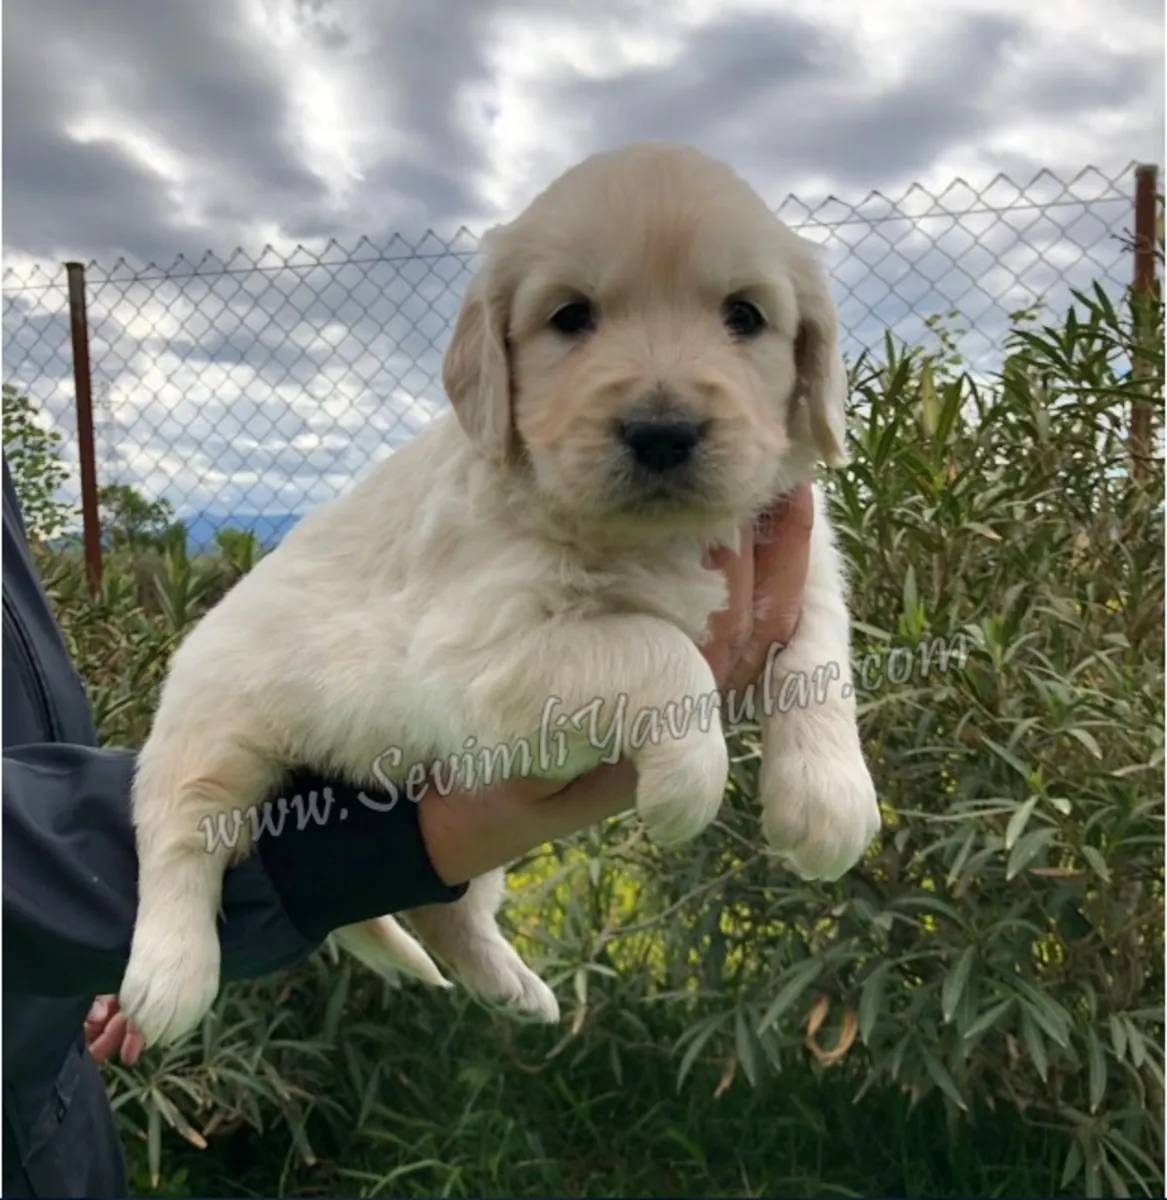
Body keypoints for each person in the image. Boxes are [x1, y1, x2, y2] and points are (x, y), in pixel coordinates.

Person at [2, 451, 814, 1197]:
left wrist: (76, 941)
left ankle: (458, 919)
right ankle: (245, 896)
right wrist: (167, 899)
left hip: (48, 1109)